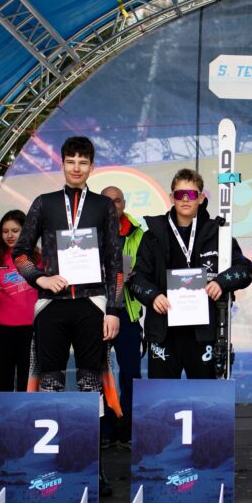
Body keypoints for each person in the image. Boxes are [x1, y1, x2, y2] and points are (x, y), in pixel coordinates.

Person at [13, 136, 123, 495]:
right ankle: (49, 465)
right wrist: (40, 278)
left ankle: (93, 467)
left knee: (91, 386)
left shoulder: (103, 206)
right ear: (61, 163)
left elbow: (115, 262)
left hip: (92, 305)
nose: (76, 168)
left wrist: (113, 309)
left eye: (83, 162)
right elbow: (20, 253)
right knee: (51, 385)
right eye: (70, 161)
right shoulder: (44, 203)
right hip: (52, 305)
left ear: (91, 166)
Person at [129, 169, 252, 379]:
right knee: (162, 395)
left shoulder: (218, 233)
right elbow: (136, 277)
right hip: (164, 332)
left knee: (206, 395)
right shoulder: (153, 236)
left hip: (204, 333)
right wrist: (153, 296)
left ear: (201, 198)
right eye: (180, 194)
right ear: (171, 198)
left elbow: (245, 270)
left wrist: (221, 282)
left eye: (192, 194)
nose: (185, 199)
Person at [100, 185, 144, 445]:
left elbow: (147, 267)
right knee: (98, 374)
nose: (112, 205)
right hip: (96, 311)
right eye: (107, 201)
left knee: (130, 373)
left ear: (124, 203)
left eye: (117, 200)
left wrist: (133, 275)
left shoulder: (138, 233)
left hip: (127, 311)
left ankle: (127, 431)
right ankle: (104, 431)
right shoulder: (87, 232)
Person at [0, 210, 38, 393]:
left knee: (27, 384)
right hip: (2, 332)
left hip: (32, 331)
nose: (9, 235)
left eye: (15, 230)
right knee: (2, 384)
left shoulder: (39, 260)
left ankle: (27, 413)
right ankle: (0, 414)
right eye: (5, 231)